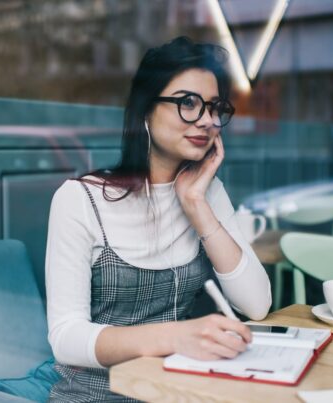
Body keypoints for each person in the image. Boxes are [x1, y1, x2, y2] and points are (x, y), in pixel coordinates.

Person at [45, 36, 271, 402]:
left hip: (175, 393)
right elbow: (66, 338)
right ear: (146, 110)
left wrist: (196, 204)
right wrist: (176, 336)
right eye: (188, 104)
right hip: (96, 396)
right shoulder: (80, 199)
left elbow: (257, 304)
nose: (207, 121)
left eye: (214, 108)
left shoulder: (206, 191)